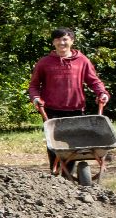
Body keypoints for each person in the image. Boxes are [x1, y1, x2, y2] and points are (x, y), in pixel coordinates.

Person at [28, 28, 110, 173]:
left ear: (72, 41)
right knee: (55, 145)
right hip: (52, 110)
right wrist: (35, 98)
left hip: (76, 108)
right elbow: (34, 85)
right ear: (53, 42)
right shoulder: (45, 62)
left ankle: (68, 174)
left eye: (65, 39)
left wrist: (102, 93)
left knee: (74, 144)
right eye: (58, 39)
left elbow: (93, 81)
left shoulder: (82, 60)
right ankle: (56, 172)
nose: (62, 42)